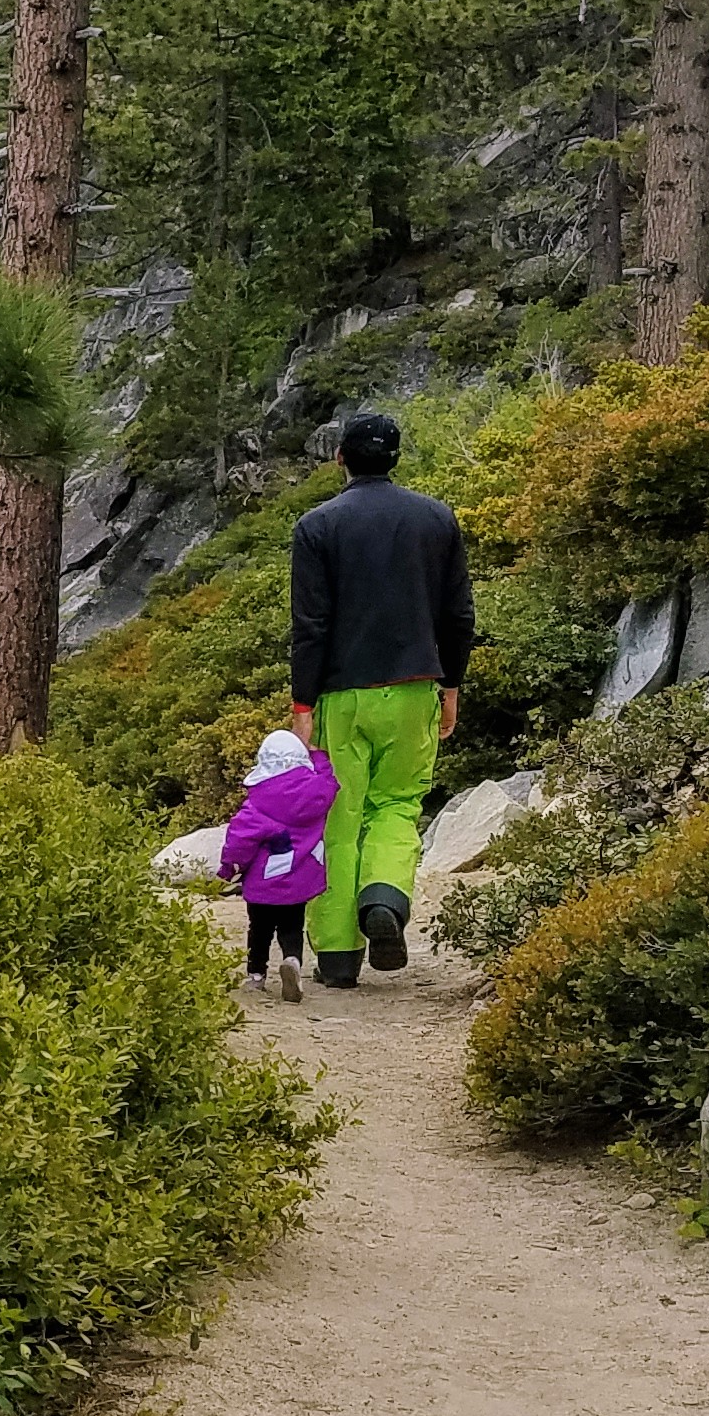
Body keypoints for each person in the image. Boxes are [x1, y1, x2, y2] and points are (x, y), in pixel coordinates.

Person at [287, 407, 474, 988]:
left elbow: (310, 625)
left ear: (339, 457)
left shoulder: (316, 527)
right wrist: (451, 685)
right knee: (396, 806)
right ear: (395, 457)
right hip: (416, 686)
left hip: (342, 696)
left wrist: (301, 707)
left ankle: (338, 958)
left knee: (337, 818)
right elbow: (458, 615)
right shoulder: (436, 519)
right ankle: (384, 900)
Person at [218, 727, 337, 1004]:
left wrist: (229, 868)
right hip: (299, 879)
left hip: (263, 882)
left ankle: (256, 975)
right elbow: (328, 777)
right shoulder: (318, 792)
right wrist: (317, 755)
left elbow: (240, 840)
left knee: (259, 929)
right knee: (292, 925)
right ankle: (292, 960)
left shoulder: (258, 802)